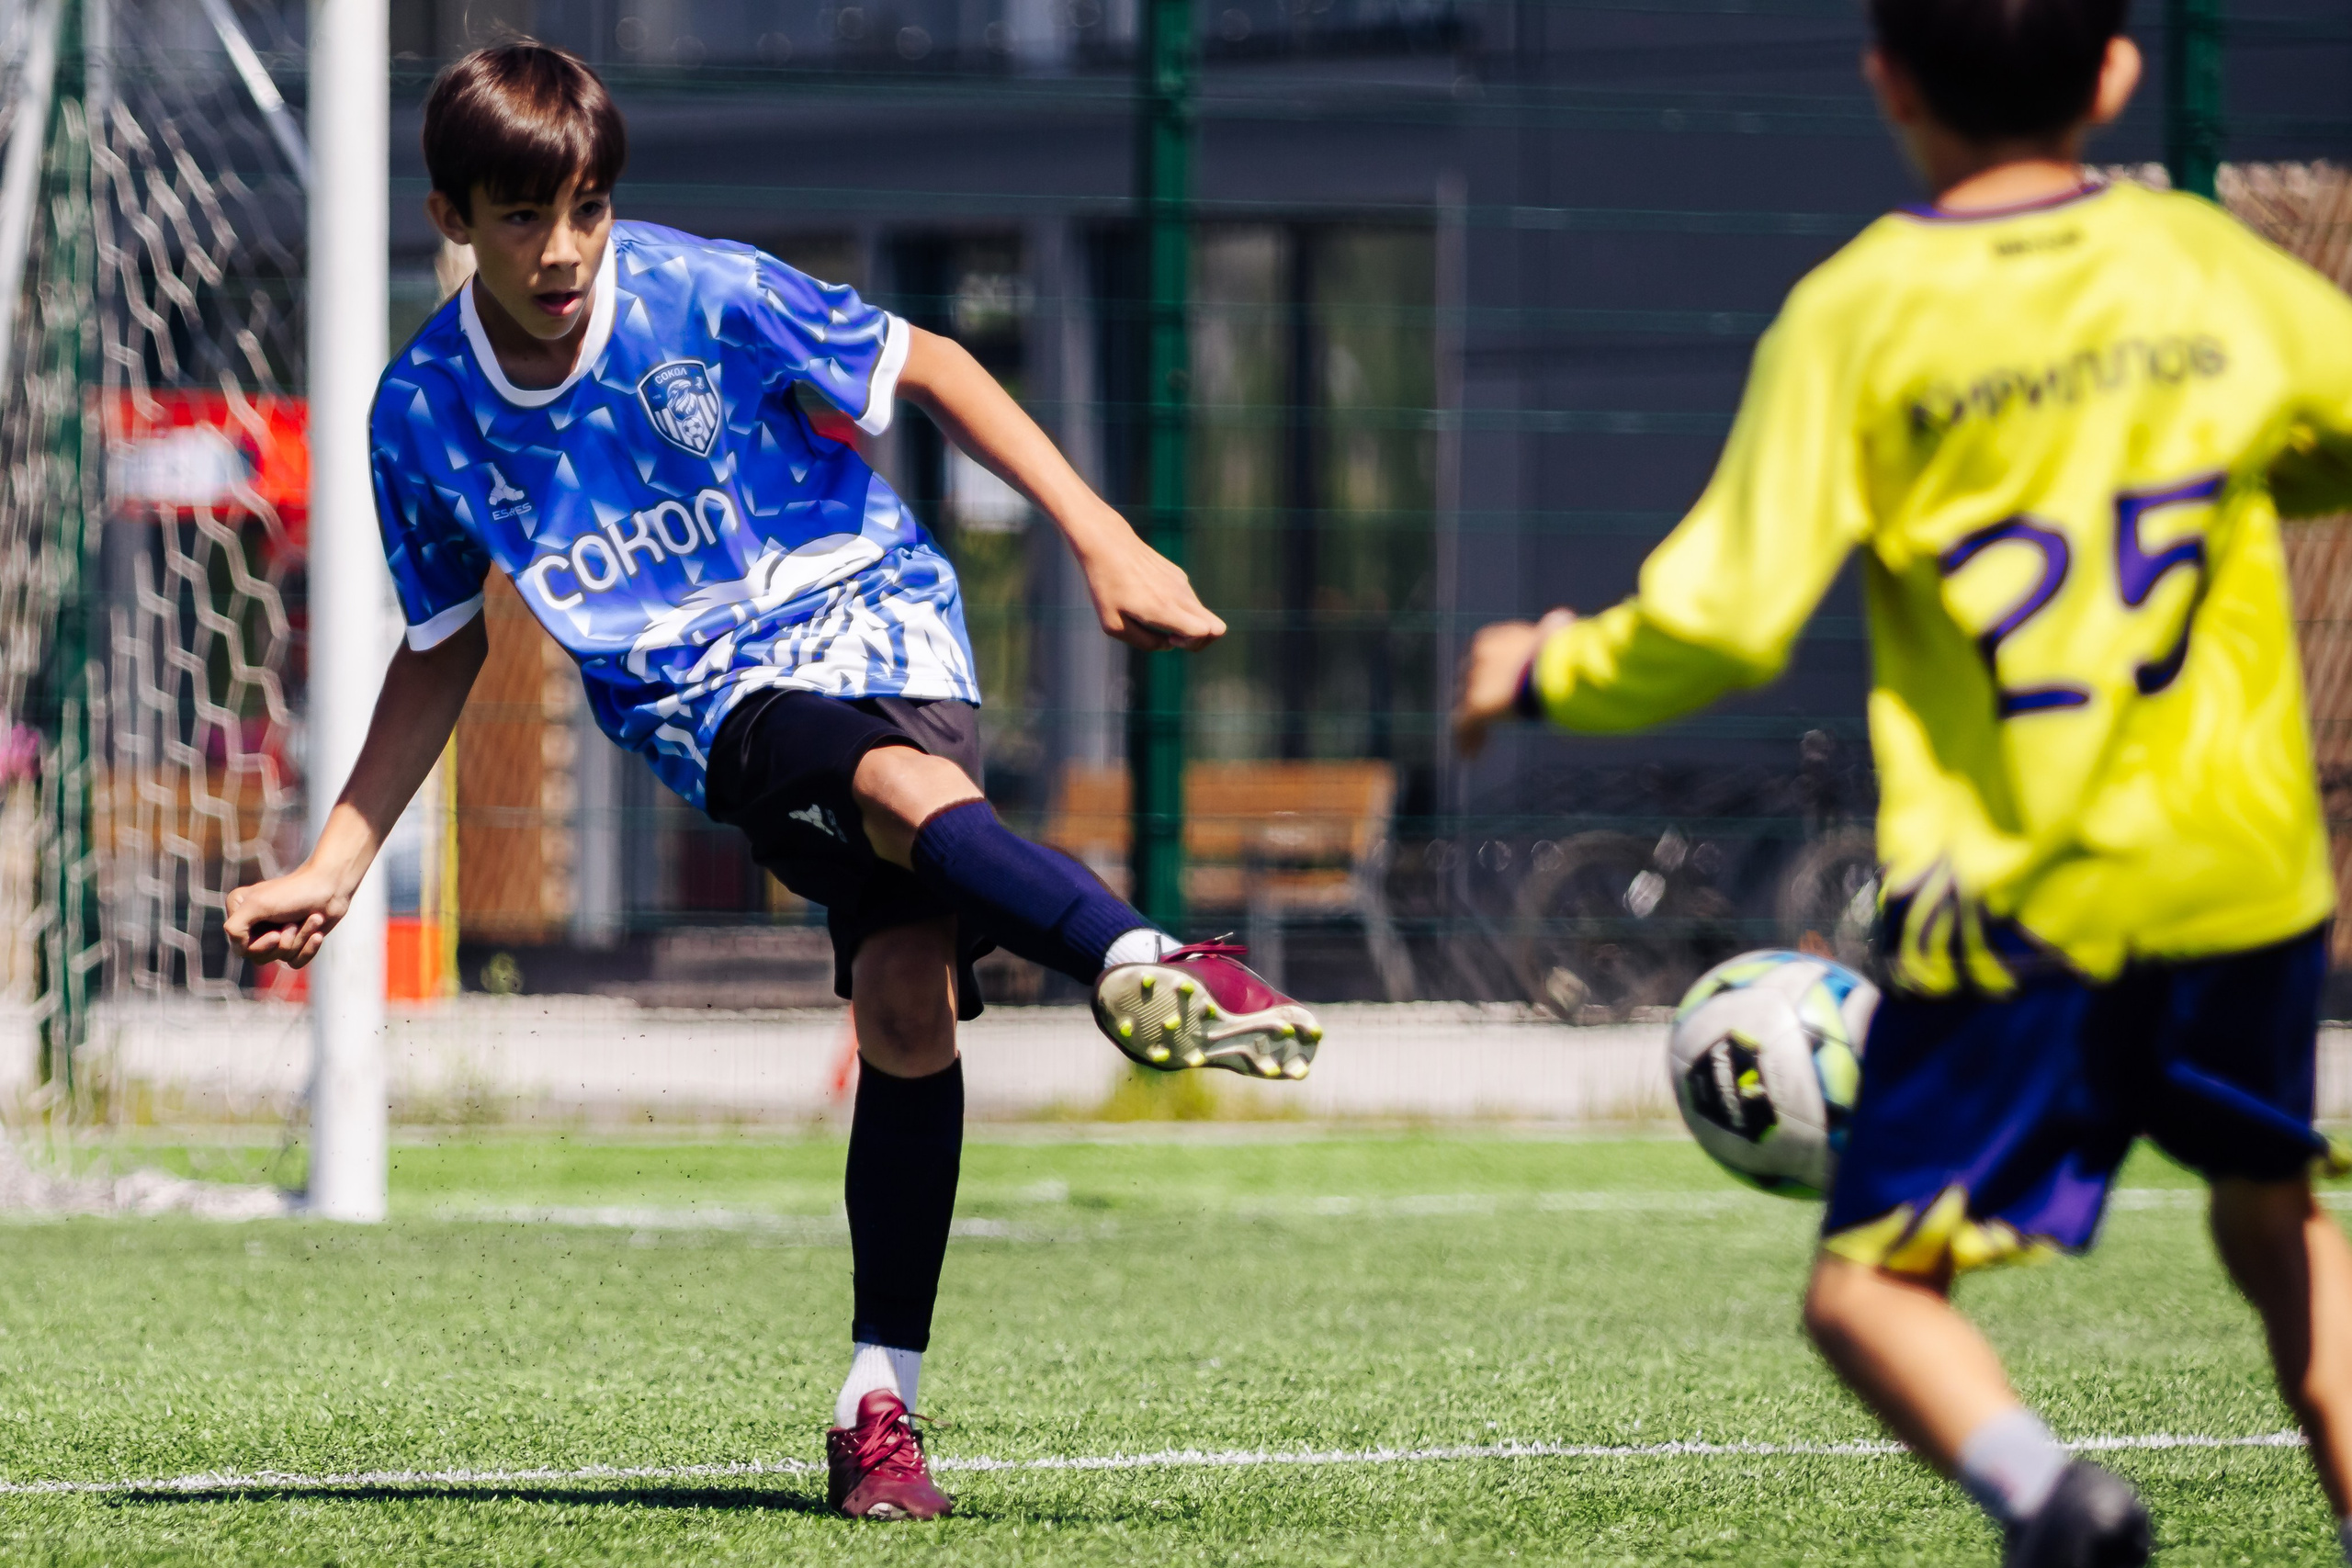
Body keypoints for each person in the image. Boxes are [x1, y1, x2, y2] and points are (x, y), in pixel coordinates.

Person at [223, 40, 1324, 1522]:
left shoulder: (695, 289)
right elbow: (438, 649)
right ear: (451, 215)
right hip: (703, 700)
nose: (561, 252)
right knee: (882, 868)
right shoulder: (421, 415)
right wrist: (339, 859)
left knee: (902, 997)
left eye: (588, 209)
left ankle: (886, 1396)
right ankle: (1133, 961)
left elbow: (922, 362)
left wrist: (1100, 534)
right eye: (520, 216)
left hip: (880, 609)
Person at [1454, 0, 2352, 1561]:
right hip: (2244, 876)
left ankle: (2049, 1501)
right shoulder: (2212, 271)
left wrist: (1544, 665)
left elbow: (1721, 625)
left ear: (1886, 80)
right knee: (2281, 1229)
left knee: (1868, 1289)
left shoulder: (1860, 311)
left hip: (2024, 893)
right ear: (2120, 74)